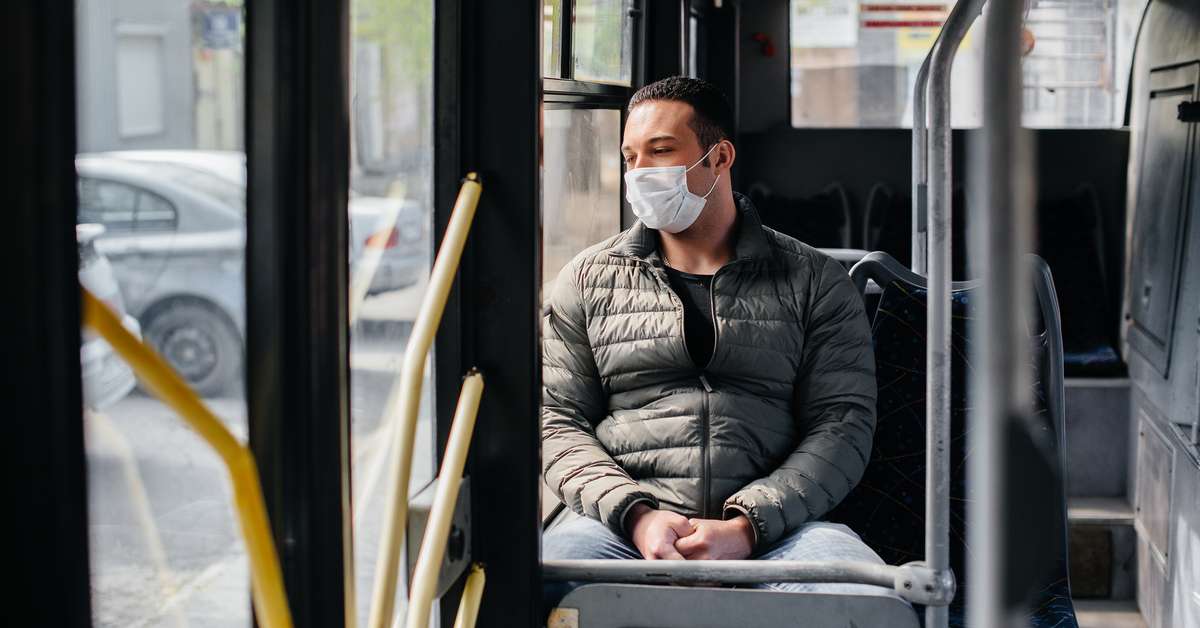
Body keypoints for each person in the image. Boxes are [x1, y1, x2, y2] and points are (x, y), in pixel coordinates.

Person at [541, 76, 887, 607]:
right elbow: (556, 420)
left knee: (864, 597)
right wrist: (636, 516)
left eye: (660, 152)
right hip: (620, 528)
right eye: (630, 157)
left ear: (719, 158)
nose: (639, 174)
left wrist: (746, 525)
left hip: (779, 532)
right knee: (544, 583)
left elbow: (842, 422)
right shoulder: (587, 279)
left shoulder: (815, 282)